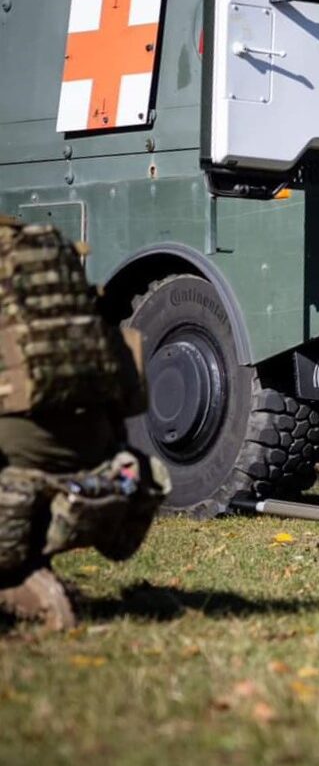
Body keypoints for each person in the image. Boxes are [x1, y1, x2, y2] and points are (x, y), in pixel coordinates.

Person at [0, 219, 165, 630]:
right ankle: (28, 566)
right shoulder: (61, 283)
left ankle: (20, 579)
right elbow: (128, 395)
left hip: (21, 482)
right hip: (112, 475)